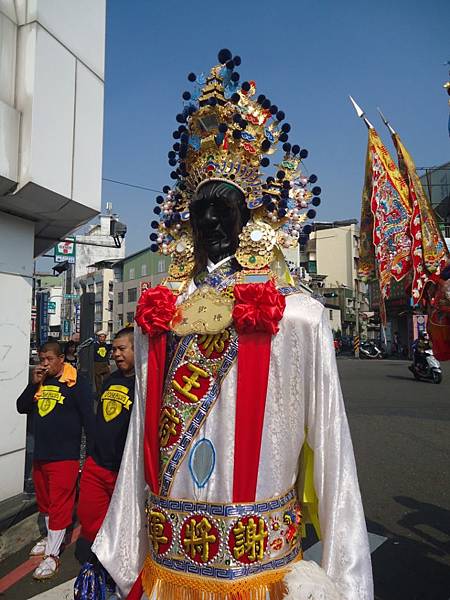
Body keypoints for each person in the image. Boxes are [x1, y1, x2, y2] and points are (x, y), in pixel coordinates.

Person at [94, 49, 373, 600]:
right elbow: (136, 445)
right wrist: (122, 549)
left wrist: (344, 578)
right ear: (185, 220)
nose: (213, 221)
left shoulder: (295, 317)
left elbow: (334, 452)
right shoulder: (159, 315)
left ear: (250, 220)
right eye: (201, 210)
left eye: (227, 209)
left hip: (260, 570)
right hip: (169, 567)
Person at [16, 341, 94, 580]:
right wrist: (33, 384)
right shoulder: (41, 381)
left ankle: (53, 555)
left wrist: (90, 454)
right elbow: (21, 407)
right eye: (42, 359)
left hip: (65, 455)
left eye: (49, 359)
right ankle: (51, 537)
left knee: (60, 504)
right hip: (41, 454)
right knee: (46, 503)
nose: (44, 364)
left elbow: (88, 420)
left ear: (61, 358)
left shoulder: (77, 382)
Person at [76, 327, 135, 561]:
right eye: (114, 349)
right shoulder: (110, 379)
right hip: (96, 465)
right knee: (89, 518)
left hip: (123, 472)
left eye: (122, 349)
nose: (117, 354)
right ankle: (95, 566)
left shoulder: (145, 384)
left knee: (124, 527)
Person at [93, 331, 111, 396]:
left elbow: (107, 356)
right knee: (98, 381)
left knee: (107, 379)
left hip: (105, 363)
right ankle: (99, 394)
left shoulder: (106, 346)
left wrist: (108, 364)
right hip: (97, 363)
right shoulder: (94, 346)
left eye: (103, 337)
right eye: (100, 337)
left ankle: (106, 392)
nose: (102, 338)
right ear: (98, 337)